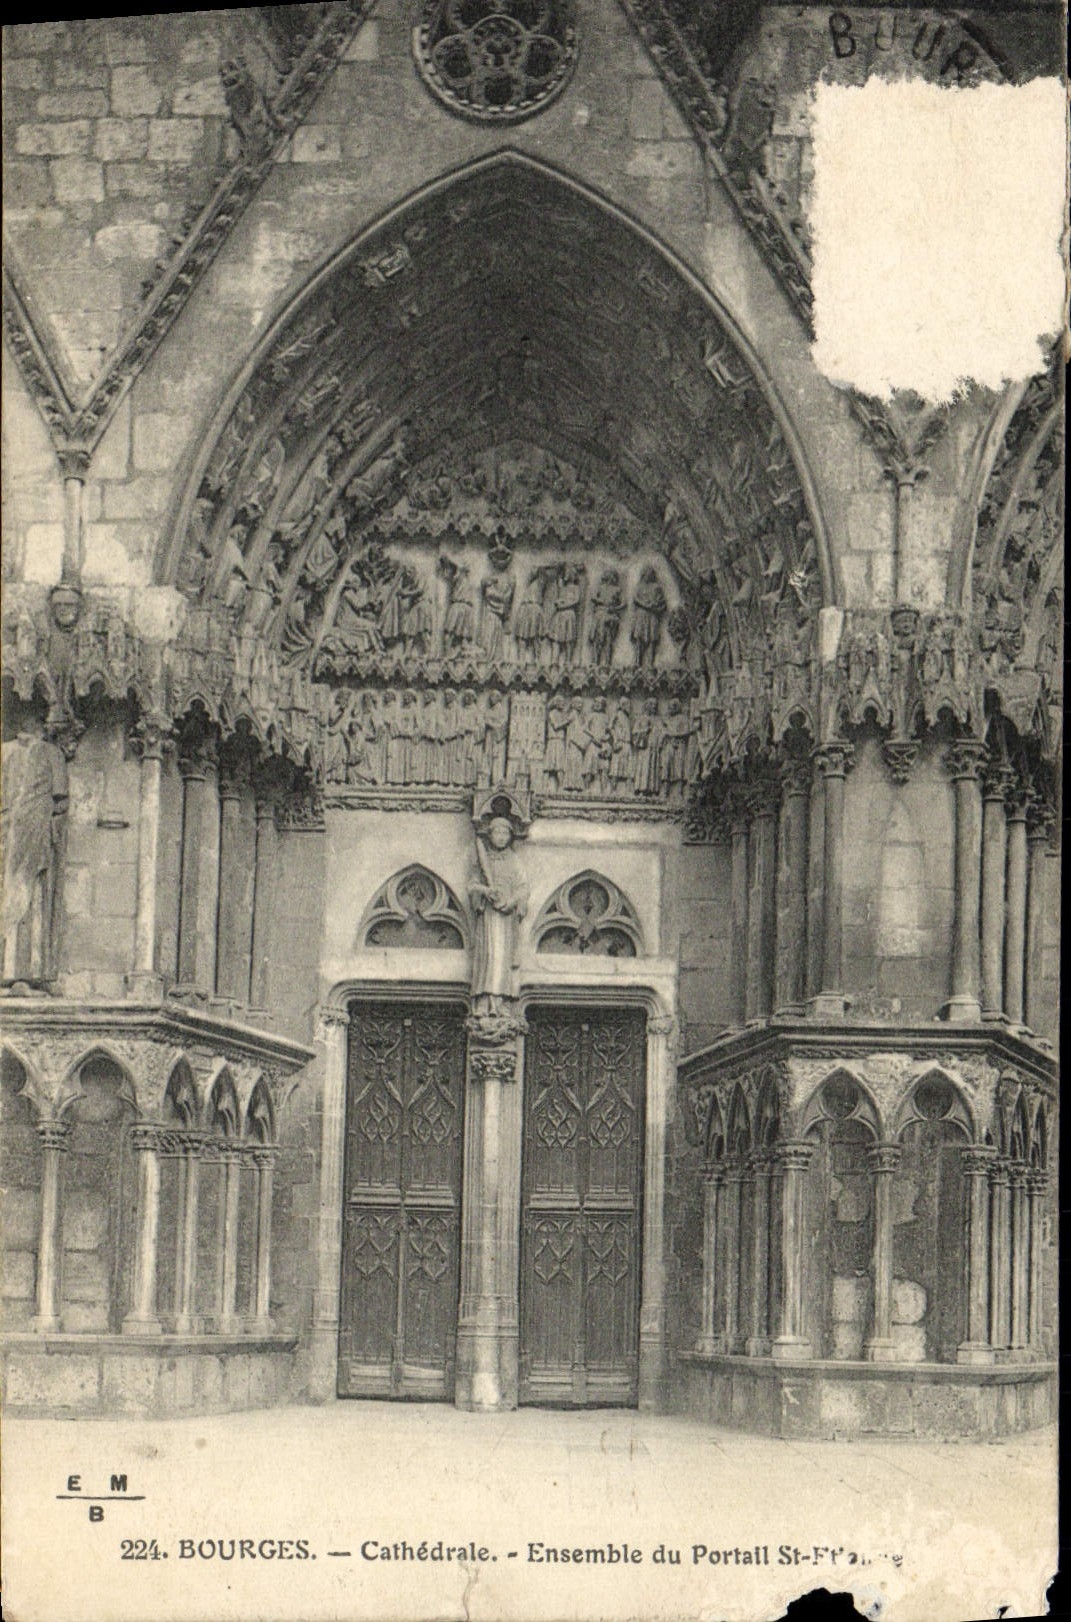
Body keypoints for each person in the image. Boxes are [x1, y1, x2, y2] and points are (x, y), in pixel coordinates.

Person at [469, 816, 529, 1016]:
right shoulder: (484, 860)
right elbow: (472, 886)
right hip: (488, 916)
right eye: (497, 832)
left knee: (503, 959)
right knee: (488, 957)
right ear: (490, 835)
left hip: (506, 918)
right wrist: (486, 892)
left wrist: (511, 902)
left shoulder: (514, 860)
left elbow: (523, 888)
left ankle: (501, 1001)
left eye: (505, 833)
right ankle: (484, 1000)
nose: (501, 837)